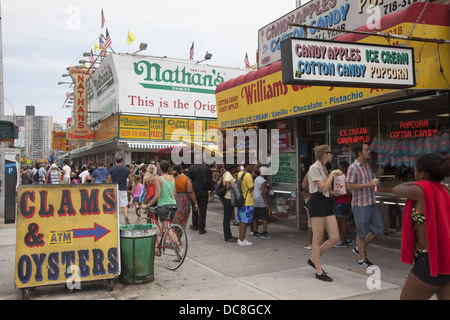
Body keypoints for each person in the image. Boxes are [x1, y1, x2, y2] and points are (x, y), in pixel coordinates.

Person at [393, 152, 450, 300]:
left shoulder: (419, 190)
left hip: (430, 259)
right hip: (446, 257)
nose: (414, 174)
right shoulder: (445, 190)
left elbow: (396, 189)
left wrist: (418, 183)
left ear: (422, 174)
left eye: (415, 172)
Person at [307, 145, 342, 282]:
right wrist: (333, 174)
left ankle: (313, 259)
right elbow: (322, 187)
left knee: (335, 237)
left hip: (326, 201)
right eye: (330, 152)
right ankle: (318, 270)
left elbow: (325, 189)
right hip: (316, 202)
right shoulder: (314, 168)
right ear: (324, 154)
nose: (332, 155)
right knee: (318, 238)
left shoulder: (323, 168)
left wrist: (333, 193)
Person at [346, 142, 383, 268]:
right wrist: (369, 184)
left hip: (371, 202)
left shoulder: (367, 165)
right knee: (361, 233)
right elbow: (349, 186)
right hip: (360, 205)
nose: (369, 152)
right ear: (359, 152)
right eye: (366, 150)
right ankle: (362, 259)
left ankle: (359, 248)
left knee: (378, 229)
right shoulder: (353, 167)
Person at [187, 154, 214, 234]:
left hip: (194, 191)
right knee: (203, 209)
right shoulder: (206, 168)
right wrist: (212, 189)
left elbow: (188, 180)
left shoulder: (191, 168)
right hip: (204, 191)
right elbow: (210, 180)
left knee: (195, 208)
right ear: (201, 160)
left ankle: (195, 224)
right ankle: (201, 228)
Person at [107, 156, 133, 224]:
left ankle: (114, 218)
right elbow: (131, 179)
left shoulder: (112, 170)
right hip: (123, 188)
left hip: (115, 189)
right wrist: (128, 187)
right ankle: (126, 216)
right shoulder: (127, 169)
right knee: (124, 204)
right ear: (122, 161)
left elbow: (109, 180)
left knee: (114, 204)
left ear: (116, 161)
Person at [333, 161, 353, 248]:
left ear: (344, 169)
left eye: (340, 168)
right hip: (339, 200)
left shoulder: (344, 178)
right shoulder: (339, 177)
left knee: (343, 220)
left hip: (342, 201)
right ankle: (346, 237)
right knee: (338, 220)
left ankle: (344, 240)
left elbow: (345, 191)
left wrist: (335, 195)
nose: (338, 169)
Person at [173, 165, 198, 230]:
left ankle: (172, 234)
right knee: (183, 219)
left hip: (173, 198)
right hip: (184, 200)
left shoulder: (171, 178)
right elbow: (190, 191)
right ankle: (178, 237)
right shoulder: (186, 178)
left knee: (174, 218)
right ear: (181, 170)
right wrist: (195, 203)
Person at [236, 162, 255, 247]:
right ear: (248, 166)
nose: (253, 168)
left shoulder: (240, 173)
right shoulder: (248, 175)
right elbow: (251, 188)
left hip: (240, 199)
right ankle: (242, 240)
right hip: (247, 201)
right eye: (252, 166)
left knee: (241, 220)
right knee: (245, 221)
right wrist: (253, 177)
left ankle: (241, 238)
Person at [252, 166, 271, 239]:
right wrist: (266, 203)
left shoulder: (256, 178)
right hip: (260, 199)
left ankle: (255, 231)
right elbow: (263, 193)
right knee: (264, 216)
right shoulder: (263, 181)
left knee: (255, 216)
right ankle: (264, 232)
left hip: (254, 198)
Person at [221, 164, 238, 242]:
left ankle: (229, 235)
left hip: (228, 198)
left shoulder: (226, 174)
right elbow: (228, 186)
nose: (235, 170)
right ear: (232, 169)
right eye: (235, 169)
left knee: (227, 218)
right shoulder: (228, 174)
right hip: (228, 198)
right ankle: (228, 236)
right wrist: (235, 184)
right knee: (227, 218)